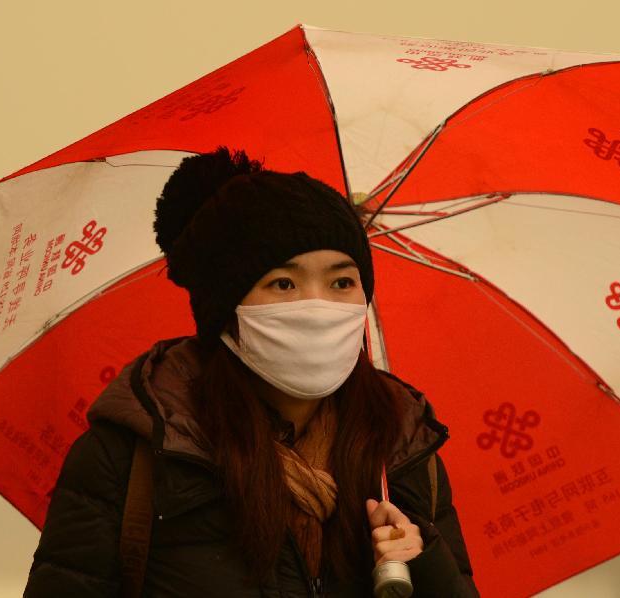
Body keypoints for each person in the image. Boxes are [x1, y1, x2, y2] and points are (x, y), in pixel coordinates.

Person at [24, 147, 478, 597]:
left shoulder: (401, 449)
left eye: (342, 282)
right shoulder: (133, 455)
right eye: (284, 283)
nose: (317, 306)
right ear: (224, 310)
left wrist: (423, 564)